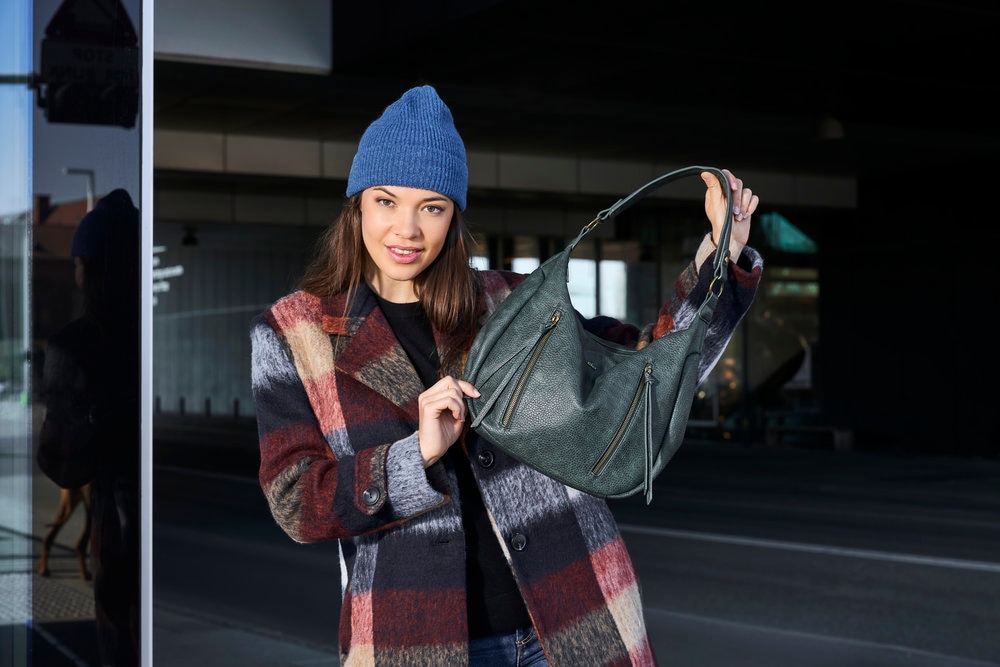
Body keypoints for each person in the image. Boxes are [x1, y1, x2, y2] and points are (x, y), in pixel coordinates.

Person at [250, 85, 763, 666]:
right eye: (386, 201)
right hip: (415, 643)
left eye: (432, 207)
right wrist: (413, 455)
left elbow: (649, 368)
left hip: (576, 621)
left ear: (453, 215)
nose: (407, 230)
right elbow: (296, 502)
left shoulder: (511, 302)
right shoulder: (293, 334)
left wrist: (719, 257)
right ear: (358, 205)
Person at [38, 188, 141, 666]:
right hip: (154, 531)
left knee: (118, 640)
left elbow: (61, 465)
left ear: (89, 270)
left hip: (115, 530)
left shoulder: (75, 346)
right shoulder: (145, 338)